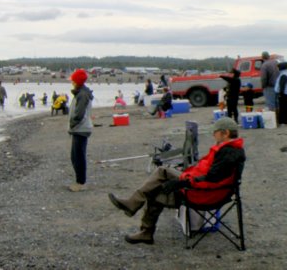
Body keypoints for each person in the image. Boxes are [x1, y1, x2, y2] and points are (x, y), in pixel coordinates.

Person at [108, 117, 245, 245]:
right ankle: (145, 232)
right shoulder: (228, 149)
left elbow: (212, 178)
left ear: (225, 133)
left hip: (204, 193)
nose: (213, 135)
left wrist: (183, 182)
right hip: (201, 187)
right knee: (155, 191)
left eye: (215, 133)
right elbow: (210, 174)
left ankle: (135, 208)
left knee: (162, 171)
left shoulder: (229, 152)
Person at [68, 69, 93, 192]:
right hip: (79, 128)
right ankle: (79, 181)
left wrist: (72, 124)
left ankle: (81, 183)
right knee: (75, 156)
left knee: (78, 156)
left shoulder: (82, 94)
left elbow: (79, 114)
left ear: (77, 81)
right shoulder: (80, 93)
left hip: (80, 129)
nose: (71, 82)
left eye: (73, 80)